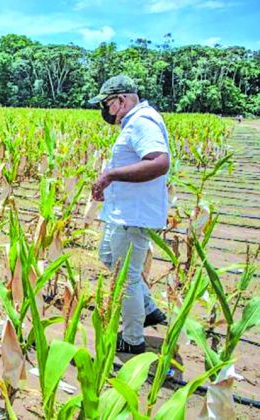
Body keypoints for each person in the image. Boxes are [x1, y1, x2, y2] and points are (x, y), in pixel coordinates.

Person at [89, 75, 168, 354]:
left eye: (106, 104)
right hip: (122, 213)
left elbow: (159, 162)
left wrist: (110, 175)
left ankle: (133, 339)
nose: (105, 111)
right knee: (108, 257)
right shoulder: (135, 122)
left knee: (126, 278)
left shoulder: (143, 122)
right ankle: (147, 309)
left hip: (133, 217)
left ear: (121, 100)